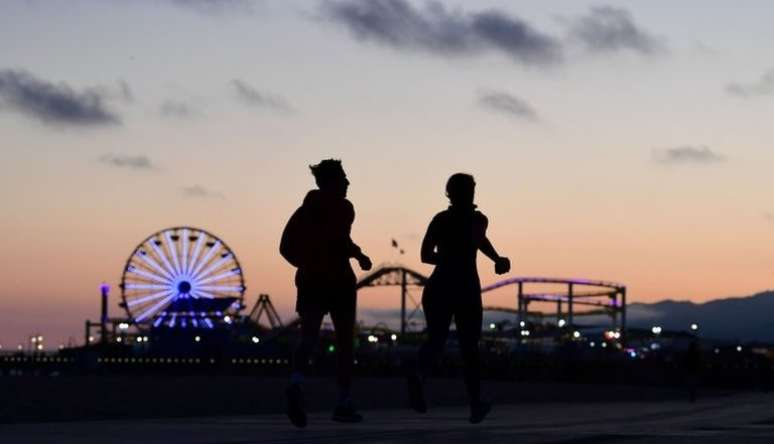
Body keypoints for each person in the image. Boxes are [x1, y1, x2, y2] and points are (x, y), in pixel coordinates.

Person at [408, 173, 510, 424]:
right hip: (465, 287)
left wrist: (449, 259)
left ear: (449, 193)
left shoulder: (441, 220)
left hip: (438, 285)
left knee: (436, 340)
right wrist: (495, 259)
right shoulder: (479, 219)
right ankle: (475, 405)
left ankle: (418, 375)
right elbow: (477, 239)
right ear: (470, 192)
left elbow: (424, 255)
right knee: (470, 348)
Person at [279, 159, 372, 428]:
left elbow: (285, 246)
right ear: (331, 182)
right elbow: (340, 240)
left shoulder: (304, 210)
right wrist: (356, 255)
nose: (348, 182)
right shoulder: (345, 208)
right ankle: (343, 402)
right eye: (343, 177)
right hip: (340, 281)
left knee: (307, 337)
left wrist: (307, 263)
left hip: (310, 281)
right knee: (345, 343)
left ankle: (296, 382)